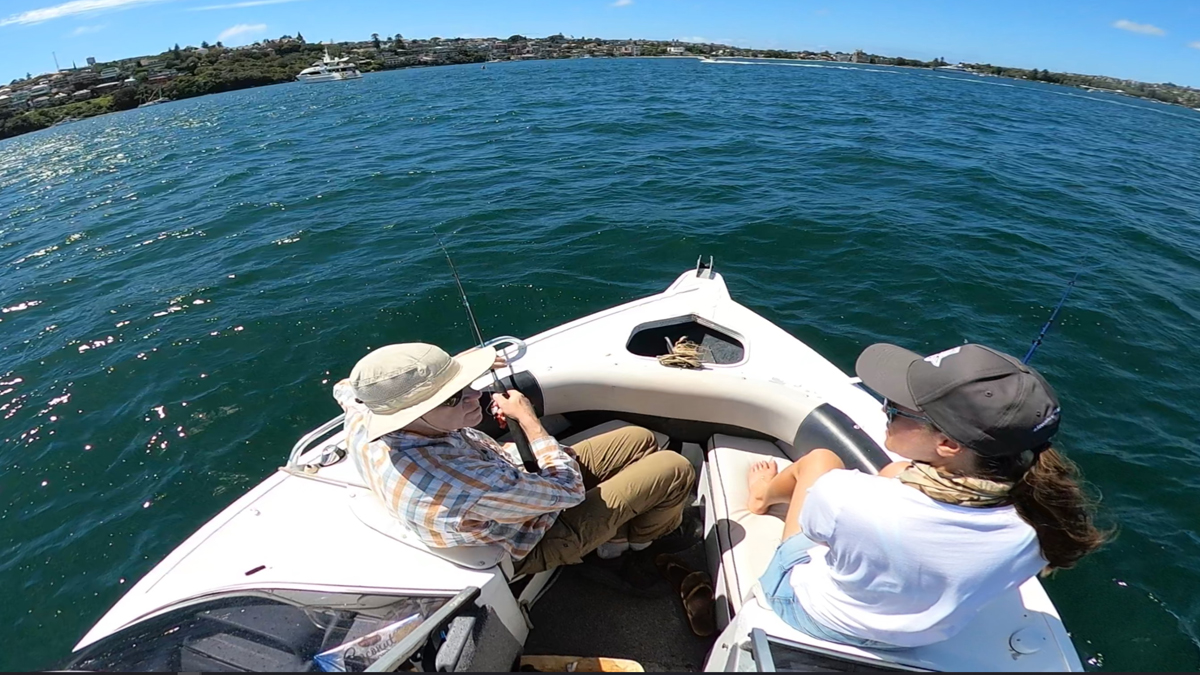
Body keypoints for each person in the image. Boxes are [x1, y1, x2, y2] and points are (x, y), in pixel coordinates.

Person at [747, 343, 1110, 649]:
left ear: (948, 444)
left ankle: (763, 496)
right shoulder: (1044, 522)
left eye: (895, 409)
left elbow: (815, 534)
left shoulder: (843, 494)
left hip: (812, 614)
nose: (884, 409)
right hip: (920, 639)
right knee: (892, 474)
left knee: (820, 460)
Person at [332, 342, 696, 582]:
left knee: (639, 439)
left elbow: (346, 387)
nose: (476, 394)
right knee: (674, 470)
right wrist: (529, 421)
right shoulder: (463, 484)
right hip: (528, 538)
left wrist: (454, 371)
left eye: (465, 383)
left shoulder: (364, 411)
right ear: (415, 412)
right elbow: (567, 491)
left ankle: (620, 527)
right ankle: (631, 550)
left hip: (509, 486)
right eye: (455, 397)